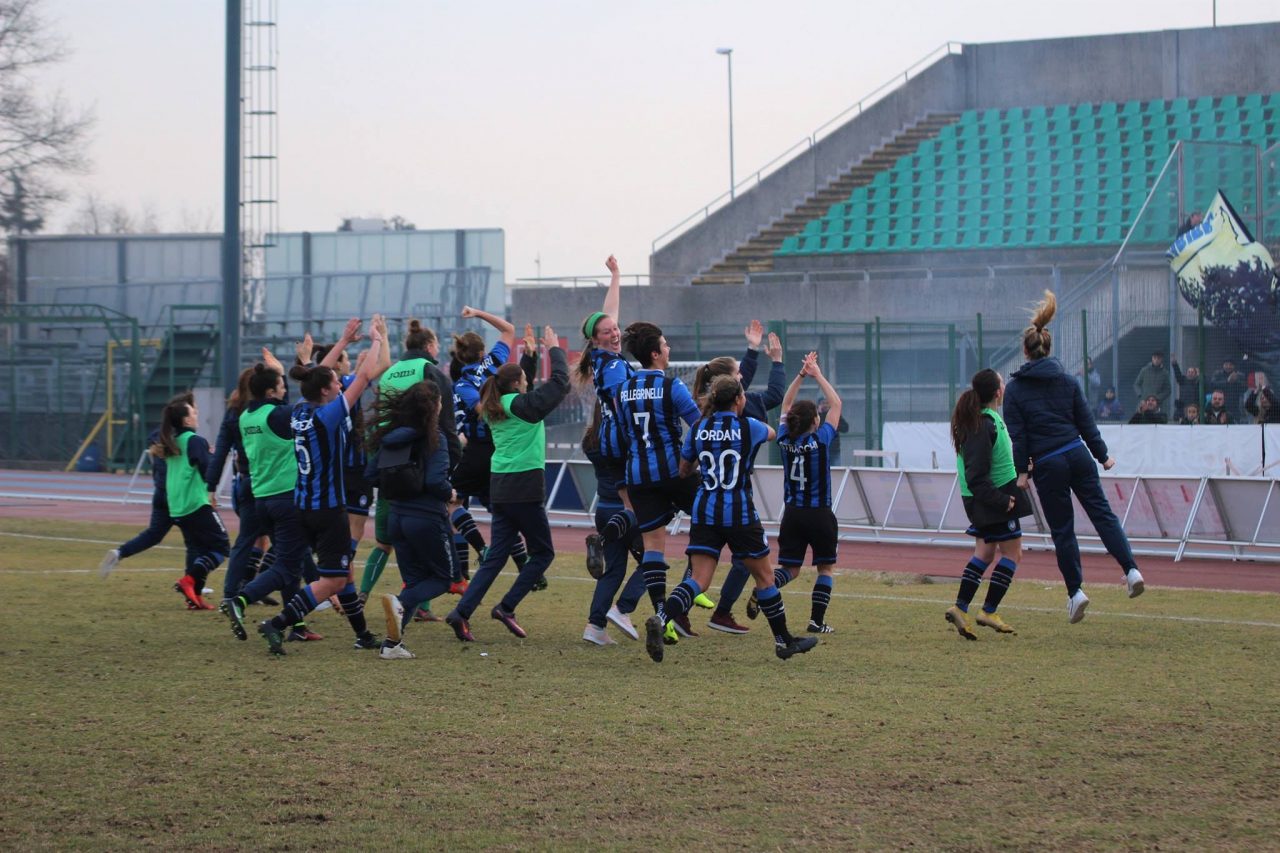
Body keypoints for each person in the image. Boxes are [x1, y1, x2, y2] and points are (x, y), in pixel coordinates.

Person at [646, 375, 818, 662]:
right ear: (739, 399)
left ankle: (662, 617)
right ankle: (783, 641)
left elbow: (684, 470)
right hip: (738, 511)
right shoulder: (749, 427)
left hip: (705, 509)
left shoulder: (699, 427)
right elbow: (773, 432)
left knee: (699, 579)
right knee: (764, 577)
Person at [1003, 290, 1145, 623]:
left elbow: (1019, 436)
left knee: (1063, 530)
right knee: (1103, 515)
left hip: (1049, 463)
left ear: (1025, 351)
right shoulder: (1067, 380)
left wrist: (1022, 472)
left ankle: (1076, 592)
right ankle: (1131, 570)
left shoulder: (1016, 390)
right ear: (1048, 348)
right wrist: (1103, 456)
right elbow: (1086, 421)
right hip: (1077, 453)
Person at [251, 316, 387, 655]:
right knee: (334, 581)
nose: (341, 385)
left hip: (303, 505)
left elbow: (315, 377)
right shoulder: (328, 416)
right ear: (326, 391)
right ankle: (278, 623)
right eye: (336, 383)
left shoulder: (300, 410)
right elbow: (367, 375)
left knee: (344, 571)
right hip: (328, 510)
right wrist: (376, 339)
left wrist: (342, 341)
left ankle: (362, 634)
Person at [444, 326, 569, 641]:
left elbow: (521, 393)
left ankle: (461, 613)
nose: (528, 384)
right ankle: (507, 606)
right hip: (524, 488)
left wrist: (528, 357)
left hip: (501, 487)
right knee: (543, 554)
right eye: (525, 380)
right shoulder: (521, 408)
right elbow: (559, 384)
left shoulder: (494, 407)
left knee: (496, 556)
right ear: (516, 384)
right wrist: (553, 350)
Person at [359, 318, 462, 615]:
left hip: (390, 466)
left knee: (386, 541)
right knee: (425, 540)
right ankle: (417, 605)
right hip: (422, 467)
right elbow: (446, 421)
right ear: (430, 346)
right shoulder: (429, 371)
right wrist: (451, 463)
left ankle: (365, 594)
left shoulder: (390, 372)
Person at [688, 329, 787, 629]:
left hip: (709, 499)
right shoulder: (744, 416)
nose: (743, 376)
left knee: (707, 563)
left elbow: (686, 463)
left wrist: (754, 351)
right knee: (751, 565)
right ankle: (779, 636)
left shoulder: (704, 419)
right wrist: (776, 362)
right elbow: (776, 403)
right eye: (738, 374)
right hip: (733, 500)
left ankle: (684, 611)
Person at [613, 320, 703, 643]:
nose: (669, 350)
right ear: (655, 353)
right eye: (665, 345)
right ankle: (688, 594)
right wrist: (689, 460)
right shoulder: (672, 387)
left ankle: (661, 613)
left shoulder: (621, 390)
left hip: (638, 476)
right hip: (675, 472)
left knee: (653, 545)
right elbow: (700, 427)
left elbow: (625, 434)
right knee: (708, 522)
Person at [366, 379, 456, 660]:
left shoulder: (392, 437)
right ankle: (400, 604)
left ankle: (391, 645)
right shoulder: (435, 438)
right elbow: (434, 481)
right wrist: (450, 492)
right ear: (434, 407)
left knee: (415, 580)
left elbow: (370, 475)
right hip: (427, 518)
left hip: (397, 516)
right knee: (444, 578)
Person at [945, 368, 1032, 640]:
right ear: (997, 392)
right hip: (992, 501)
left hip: (988, 499)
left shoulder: (988, 421)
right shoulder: (984, 424)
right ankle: (988, 610)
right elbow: (976, 475)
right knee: (1013, 554)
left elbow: (993, 462)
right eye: (1003, 382)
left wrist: (1022, 472)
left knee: (984, 554)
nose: (1005, 386)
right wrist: (1002, 500)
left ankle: (960, 607)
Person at [770, 351, 844, 634]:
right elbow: (836, 404)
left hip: (792, 514)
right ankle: (816, 621)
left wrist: (801, 375)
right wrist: (817, 374)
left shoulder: (785, 440)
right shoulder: (821, 440)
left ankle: (766, 587)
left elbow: (787, 402)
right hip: (820, 514)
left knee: (790, 569)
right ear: (815, 421)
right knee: (825, 568)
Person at [448, 305, 520, 588]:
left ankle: (480, 549)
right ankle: (524, 564)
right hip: (501, 447)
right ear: (481, 352)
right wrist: (478, 313)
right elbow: (508, 330)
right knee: (500, 510)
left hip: (477, 449)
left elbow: (483, 412)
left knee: (452, 501)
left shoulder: (464, 383)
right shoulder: (493, 362)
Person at [577, 256, 639, 560]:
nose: (615, 333)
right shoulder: (611, 366)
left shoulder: (606, 356)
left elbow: (609, 312)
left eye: (615, 329)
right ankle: (604, 540)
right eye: (607, 332)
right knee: (641, 512)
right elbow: (622, 405)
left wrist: (616, 275)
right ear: (594, 340)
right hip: (621, 442)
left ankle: (608, 543)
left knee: (636, 511)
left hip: (614, 439)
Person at [150, 392, 230, 610]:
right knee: (221, 547)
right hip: (195, 504)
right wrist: (212, 458)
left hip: (177, 506)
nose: (197, 414)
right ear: (186, 420)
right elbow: (207, 470)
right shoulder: (195, 440)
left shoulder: (172, 441)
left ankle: (194, 598)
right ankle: (188, 580)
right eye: (193, 412)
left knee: (202, 550)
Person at [581, 400, 647, 645]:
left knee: (614, 570)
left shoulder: (591, 440)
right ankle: (623, 608)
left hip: (604, 509)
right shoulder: (625, 438)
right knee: (653, 562)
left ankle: (595, 625)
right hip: (629, 510)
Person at [98, 424, 173, 579]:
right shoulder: (178, 442)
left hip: (160, 495)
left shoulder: (158, 446)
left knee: (153, 535)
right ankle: (195, 582)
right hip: (177, 497)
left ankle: (119, 552)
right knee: (195, 539)